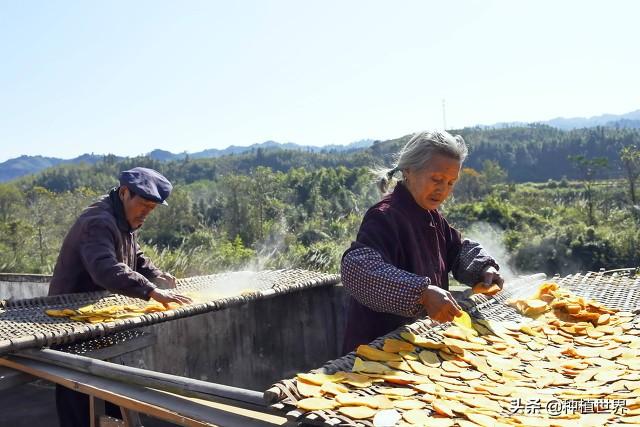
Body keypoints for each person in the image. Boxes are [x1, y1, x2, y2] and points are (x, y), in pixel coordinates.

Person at [49, 166, 192, 427]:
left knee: (111, 387)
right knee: (76, 391)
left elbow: (135, 258)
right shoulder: (98, 221)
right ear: (125, 192)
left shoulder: (124, 219)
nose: (147, 213)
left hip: (97, 318)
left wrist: (157, 276)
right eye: (145, 205)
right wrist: (150, 291)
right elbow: (106, 268)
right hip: (68, 318)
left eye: (152, 208)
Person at [340, 130, 503, 353]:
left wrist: (484, 269)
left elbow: (457, 251)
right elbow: (357, 269)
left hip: (419, 348)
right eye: (436, 179)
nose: (443, 190)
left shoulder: (432, 217)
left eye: (450, 183)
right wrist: (422, 293)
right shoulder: (385, 217)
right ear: (408, 170)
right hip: (378, 355)